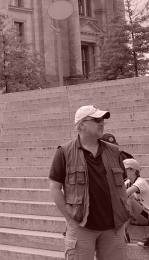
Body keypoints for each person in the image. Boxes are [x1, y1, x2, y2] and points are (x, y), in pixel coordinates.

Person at [49, 105, 130, 260]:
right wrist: (70, 219)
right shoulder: (64, 152)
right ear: (81, 125)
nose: (102, 123)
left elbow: (122, 187)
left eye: (103, 120)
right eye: (97, 119)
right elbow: (54, 188)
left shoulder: (114, 151)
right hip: (81, 225)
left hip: (113, 227)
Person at [123, 158, 149, 242]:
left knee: (129, 199)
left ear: (133, 171)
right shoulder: (127, 182)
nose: (122, 171)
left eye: (125, 169)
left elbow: (124, 194)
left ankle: (123, 232)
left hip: (147, 216)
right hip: (135, 216)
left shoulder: (141, 182)